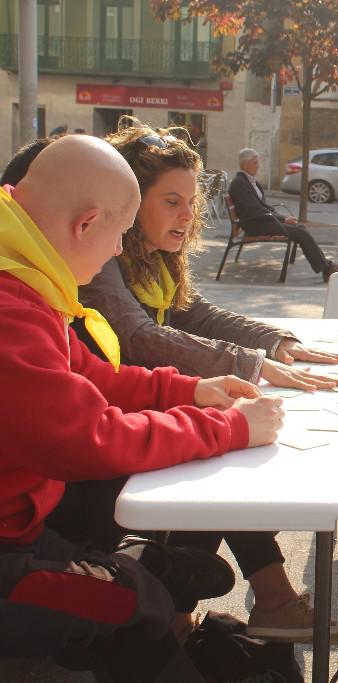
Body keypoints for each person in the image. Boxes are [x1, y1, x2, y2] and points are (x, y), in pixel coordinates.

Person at [0, 134, 285, 681]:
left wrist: (190, 390)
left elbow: (90, 376)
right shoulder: (12, 306)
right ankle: (139, 579)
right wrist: (229, 428)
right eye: (118, 236)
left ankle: (138, 569)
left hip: (22, 523)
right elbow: (88, 437)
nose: (117, 251)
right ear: (86, 224)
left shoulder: (22, 269)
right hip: (9, 543)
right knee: (142, 605)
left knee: (150, 591)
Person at [65, 120, 338, 644]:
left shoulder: (153, 259)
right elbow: (138, 338)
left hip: (126, 414)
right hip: (94, 445)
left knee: (222, 450)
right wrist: (252, 364)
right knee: (218, 456)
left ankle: (205, 615)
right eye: (171, 201)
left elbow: (196, 314)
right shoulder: (101, 257)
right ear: (127, 203)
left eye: (192, 201)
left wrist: (274, 341)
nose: (188, 215)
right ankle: (215, 612)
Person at [228, 148, 338, 282]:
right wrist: (283, 219)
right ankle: (326, 269)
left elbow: (262, 207)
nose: (258, 165)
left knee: (300, 228)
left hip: (261, 220)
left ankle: (326, 266)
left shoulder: (248, 181)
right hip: (255, 225)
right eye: (255, 162)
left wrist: (282, 218)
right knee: (300, 233)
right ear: (245, 164)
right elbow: (255, 210)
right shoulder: (239, 183)